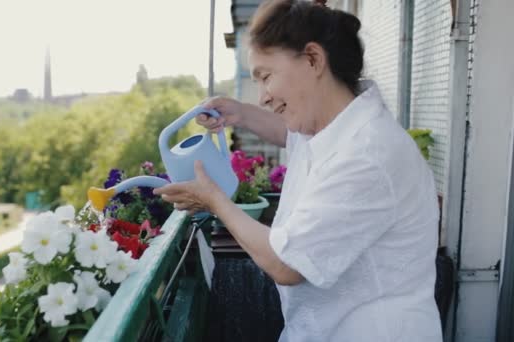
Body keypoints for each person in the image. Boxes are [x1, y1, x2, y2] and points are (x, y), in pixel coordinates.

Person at [154, 0, 442, 341]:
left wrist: (216, 202)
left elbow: (286, 264)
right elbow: (287, 133)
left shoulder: (368, 154)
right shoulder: (330, 124)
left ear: (313, 59)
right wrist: (239, 114)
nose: (262, 96)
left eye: (266, 76)